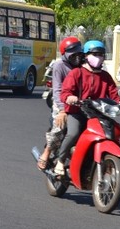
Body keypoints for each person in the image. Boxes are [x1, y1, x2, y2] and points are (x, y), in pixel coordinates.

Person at [54, 40, 120, 176]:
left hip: (97, 114)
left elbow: (114, 95)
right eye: (94, 54)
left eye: (101, 54)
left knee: (113, 133)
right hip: (77, 112)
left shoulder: (105, 77)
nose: (98, 57)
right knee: (73, 133)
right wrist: (69, 98)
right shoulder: (76, 73)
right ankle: (60, 161)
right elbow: (65, 92)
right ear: (86, 55)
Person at [36, 36, 84, 171]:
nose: (76, 56)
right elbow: (57, 90)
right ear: (65, 53)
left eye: (78, 52)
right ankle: (46, 153)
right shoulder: (59, 65)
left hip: (80, 103)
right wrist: (63, 110)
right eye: (73, 53)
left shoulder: (82, 65)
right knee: (60, 125)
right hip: (61, 102)